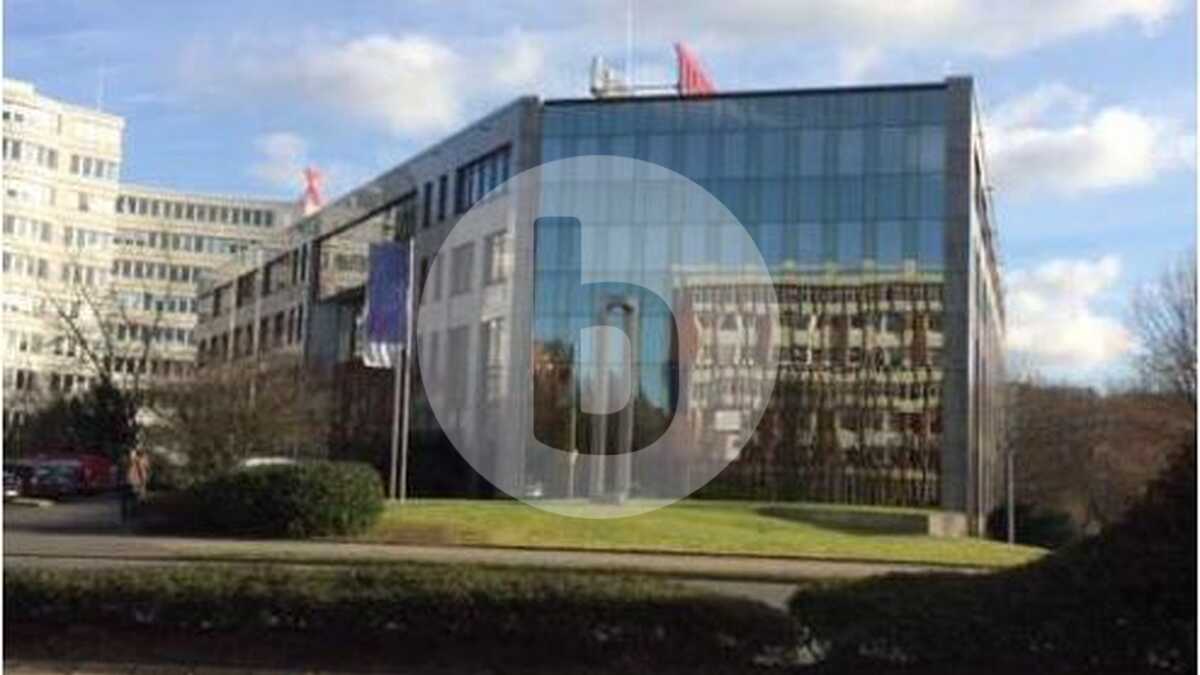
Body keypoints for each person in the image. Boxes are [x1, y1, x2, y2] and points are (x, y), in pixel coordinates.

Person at [120, 449, 150, 523]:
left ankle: (127, 514)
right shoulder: (135, 461)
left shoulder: (131, 461)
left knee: (128, 498)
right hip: (133, 481)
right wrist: (142, 480)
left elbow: (123, 471)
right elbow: (141, 470)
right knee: (132, 498)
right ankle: (130, 513)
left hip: (130, 481)